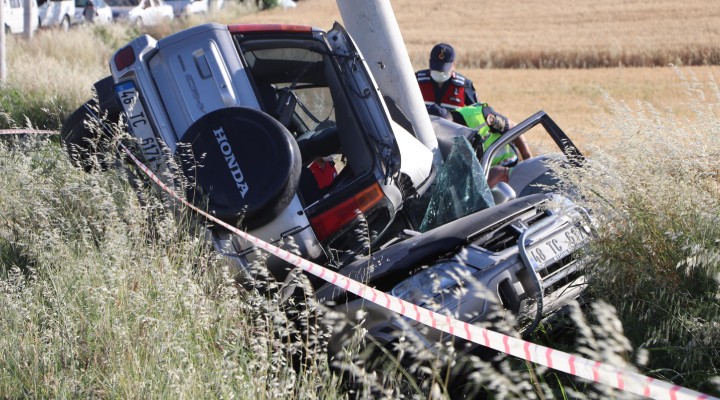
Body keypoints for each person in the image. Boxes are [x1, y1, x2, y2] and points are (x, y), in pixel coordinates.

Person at [449, 103, 533, 187]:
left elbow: (514, 128)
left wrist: (528, 159)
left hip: (506, 166)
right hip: (485, 170)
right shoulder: (447, 135)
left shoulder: (482, 119)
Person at [416, 43, 478, 112]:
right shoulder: (415, 80)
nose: (440, 72)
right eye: (436, 68)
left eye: (444, 69)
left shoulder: (465, 85)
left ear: (453, 65)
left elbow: (477, 113)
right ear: (430, 63)